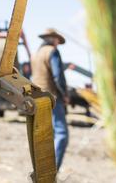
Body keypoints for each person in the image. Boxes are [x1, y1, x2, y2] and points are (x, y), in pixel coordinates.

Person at [30, 28, 70, 169]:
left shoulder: (36, 54)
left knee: (47, 135)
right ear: (54, 39)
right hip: (51, 97)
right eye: (58, 40)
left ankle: (42, 169)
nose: (58, 44)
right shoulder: (53, 52)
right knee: (62, 134)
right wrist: (65, 94)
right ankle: (52, 170)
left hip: (37, 97)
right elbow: (58, 76)